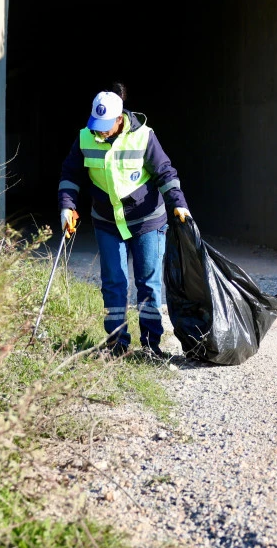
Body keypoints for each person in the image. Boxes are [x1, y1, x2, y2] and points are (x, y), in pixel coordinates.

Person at [58, 83, 191, 357]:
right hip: (107, 221)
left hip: (147, 220)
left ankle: (152, 346)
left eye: (106, 124)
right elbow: (70, 175)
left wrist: (178, 204)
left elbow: (164, 172)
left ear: (120, 119)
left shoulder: (143, 137)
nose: (100, 129)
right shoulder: (85, 138)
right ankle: (117, 344)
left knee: (148, 282)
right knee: (114, 282)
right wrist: (67, 207)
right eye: (97, 123)